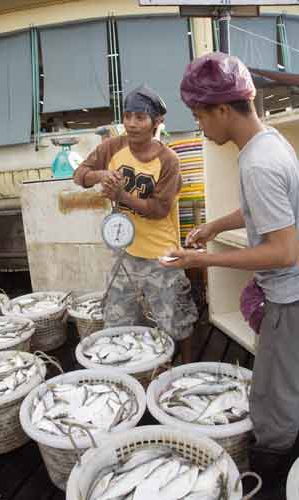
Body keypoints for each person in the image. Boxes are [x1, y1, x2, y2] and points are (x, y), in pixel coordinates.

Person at [161, 51, 299, 497]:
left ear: (223, 109)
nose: (199, 126)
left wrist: (206, 260)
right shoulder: (269, 142)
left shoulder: (257, 161)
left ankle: (273, 481)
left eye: (200, 116)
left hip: (290, 299)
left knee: (272, 406)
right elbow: (266, 210)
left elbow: (283, 251)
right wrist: (215, 226)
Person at [74, 84, 198, 363]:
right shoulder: (112, 146)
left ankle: (186, 368)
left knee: (176, 321)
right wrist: (101, 175)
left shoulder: (168, 160)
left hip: (162, 255)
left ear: (157, 122)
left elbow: (157, 209)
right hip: (125, 253)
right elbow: (79, 173)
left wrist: (121, 196)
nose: (131, 123)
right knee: (117, 321)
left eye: (140, 117)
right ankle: (127, 371)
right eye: (127, 115)